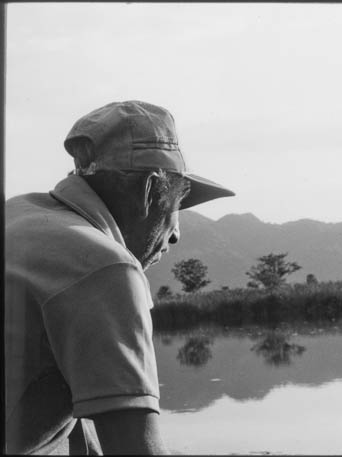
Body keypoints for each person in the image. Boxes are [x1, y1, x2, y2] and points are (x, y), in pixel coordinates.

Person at [4, 101, 235, 454]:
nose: (176, 235)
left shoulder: (18, 216)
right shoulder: (105, 267)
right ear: (149, 191)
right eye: (177, 204)